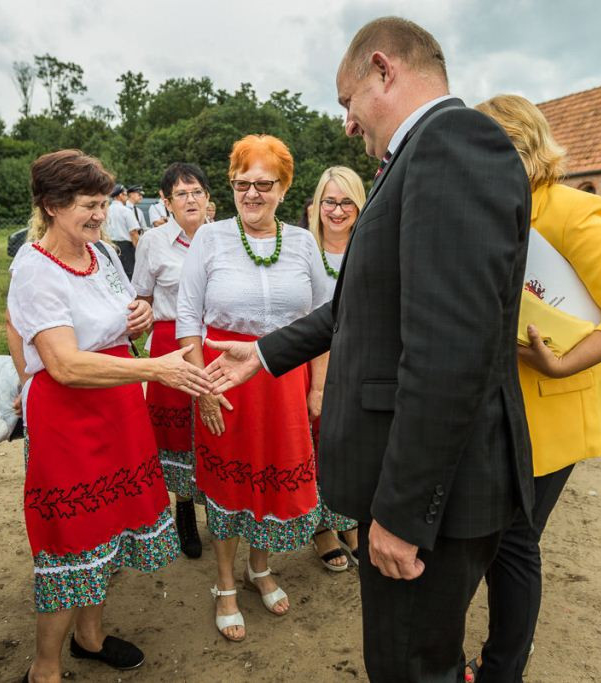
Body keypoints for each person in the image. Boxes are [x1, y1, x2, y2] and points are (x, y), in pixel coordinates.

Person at [202, 18, 534, 680]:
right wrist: (265, 352)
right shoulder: (418, 156)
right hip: (429, 486)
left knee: (410, 665)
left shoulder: (452, 145)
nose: (347, 123)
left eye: (346, 100)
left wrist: (405, 515)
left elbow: (449, 352)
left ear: (383, 69)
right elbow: (366, 305)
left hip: (433, 498)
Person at [464, 94, 601, 682]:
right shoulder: (482, 210)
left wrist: (564, 362)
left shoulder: (572, 211)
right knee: (495, 539)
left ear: (519, 146)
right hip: (488, 406)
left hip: (547, 409)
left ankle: (502, 670)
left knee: (515, 542)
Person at [7, 150, 212, 683]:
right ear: (51, 206)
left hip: (117, 409)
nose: (100, 215)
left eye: (103, 204)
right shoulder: (34, 266)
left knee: (109, 529)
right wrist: (153, 368)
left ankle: (90, 637)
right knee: (72, 537)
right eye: (88, 205)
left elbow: (120, 324)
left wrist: (139, 319)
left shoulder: (100, 255)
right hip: (70, 417)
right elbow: (65, 364)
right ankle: (44, 667)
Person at [176, 134, 331, 642]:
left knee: (272, 477)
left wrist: (318, 389)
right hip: (224, 380)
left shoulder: (304, 243)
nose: (252, 195)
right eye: (243, 184)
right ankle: (224, 582)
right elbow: (187, 318)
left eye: (264, 185)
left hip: (285, 382)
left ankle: (258, 568)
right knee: (229, 484)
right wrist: (202, 388)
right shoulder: (211, 239)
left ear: (285, 188)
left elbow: (326, 320)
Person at [131, 162, 213, 558]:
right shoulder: (153, 241)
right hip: (170, 342)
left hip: (215, 341)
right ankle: (183, 510)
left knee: (215, 425)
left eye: (196, 191)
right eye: (181, 193)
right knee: (179, 435)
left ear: (209, 197)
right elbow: (141, 298)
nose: (191, 199)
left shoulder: (224, 237)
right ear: (166, 202)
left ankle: (219, 505)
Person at [306, 166, 366, 570]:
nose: (338, 210)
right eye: (330, 201)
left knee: (354, 448)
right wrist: (317, 382)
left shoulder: (371, 245)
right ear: (317, 206)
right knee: (316, 449)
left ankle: (349, 522)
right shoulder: (302, 248)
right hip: (312, 364)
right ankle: (321, 528)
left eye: (347, 201)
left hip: (359, 363)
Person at [105, 184, 139, 278]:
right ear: (120, 195)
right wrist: (139, 250)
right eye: (125, 194)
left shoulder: (107, 210)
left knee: (114, 274)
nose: (127, 197)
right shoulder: (126, 211)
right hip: (126, 248)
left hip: (110, 244)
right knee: (129, 274)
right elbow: (133, 232)